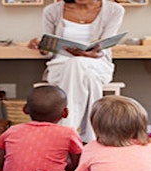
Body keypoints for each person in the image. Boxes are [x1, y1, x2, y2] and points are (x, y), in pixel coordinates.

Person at [28, 0, 125, 143]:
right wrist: (42, 47)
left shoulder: (114, 10)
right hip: (60, 66)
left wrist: (89, 55)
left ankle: (65, 135)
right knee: (83, 70)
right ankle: (92, 139)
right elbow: (49, 51)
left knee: (78, 63)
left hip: (98, 64)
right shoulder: (52, 11)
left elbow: (105, 46)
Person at [0, 85, 83, 171]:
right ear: (65, 112)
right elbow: (78, 166)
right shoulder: (69, 133)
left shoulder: (12, 130)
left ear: (25, 109)